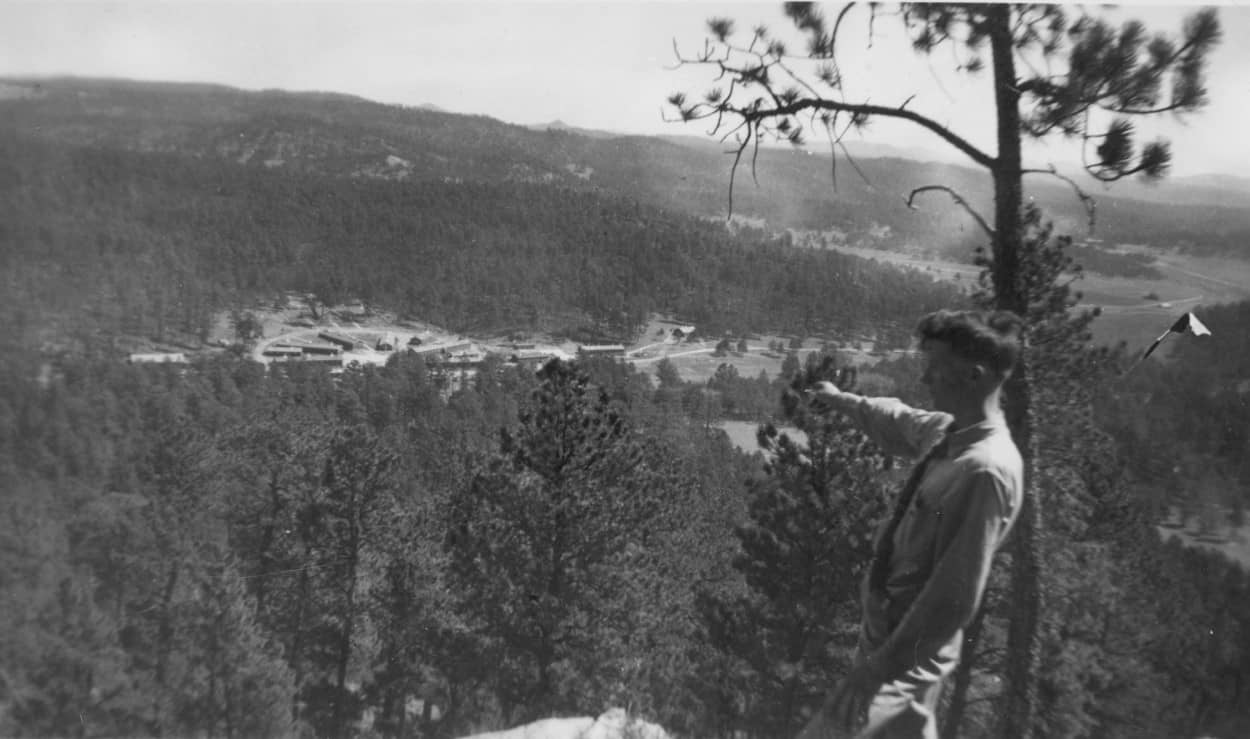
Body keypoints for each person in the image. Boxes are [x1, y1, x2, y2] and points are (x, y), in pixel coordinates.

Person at [797, 309, 1025, 739]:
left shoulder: (984, 471)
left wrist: (881, 669)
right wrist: (840, 399)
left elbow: (954, 598)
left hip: (905, 663)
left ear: (974, 376)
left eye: (935, 369)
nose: (924, 380)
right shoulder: (950, 433)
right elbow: (898, 418)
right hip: (889, 649)